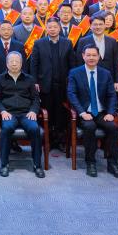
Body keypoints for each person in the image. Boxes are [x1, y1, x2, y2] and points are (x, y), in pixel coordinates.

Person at [67, 44, 118, 178]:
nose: (91, 58)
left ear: (98, 57)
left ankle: (112, 164)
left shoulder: (105, 73)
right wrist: (82, 112)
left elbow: (111, 95)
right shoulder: (75, 73)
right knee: (90, 127)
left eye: (94, 55)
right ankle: (91, 162)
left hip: (101, 112)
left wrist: (110, 113)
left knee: (112, 128)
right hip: (84, 112)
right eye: (88, 55)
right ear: (83, 56)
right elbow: (71, 94)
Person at [0, 51, 45, 178]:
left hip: (26, 113)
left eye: (17, 61)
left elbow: (35, 99)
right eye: (12, 61)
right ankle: (4, 164)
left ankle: (37, 165)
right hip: (9, 113)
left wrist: (33, 111)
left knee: (35, 129)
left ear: (21, 64)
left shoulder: (29, 79)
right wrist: (2, 111)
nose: (14, 64)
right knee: (6, 128)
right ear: (7, 63)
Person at [30, 17, 76, 150]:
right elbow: (34, 64)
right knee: (47, 113)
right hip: (45, 85)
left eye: (55, 27)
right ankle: (47, 141)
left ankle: (60, 140)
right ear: (46, 28)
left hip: (62, 86)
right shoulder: (39, 43)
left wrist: (71, 82)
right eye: (50, 27)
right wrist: (35, 81)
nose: (52, 29)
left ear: (59, 28)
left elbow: (72, 64)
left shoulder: (67, 43)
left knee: (61, 114)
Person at [76, 13, 118, 91]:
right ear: (90, 26)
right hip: (90, 78)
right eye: (95, 24)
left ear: (104, 26)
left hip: (109, 78)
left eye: (100, 24)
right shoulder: (83, 41)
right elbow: (79, 62)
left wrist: (117, 81)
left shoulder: (112, 41)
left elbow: (116, 62)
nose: (98, 27)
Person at [0, 21, 25, 91]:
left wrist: (24, 83)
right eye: (3, 29)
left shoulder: (19, 46)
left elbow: (24, 66)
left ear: (12, 31)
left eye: (9, 29)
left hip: (16, 83)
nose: (6, 32)